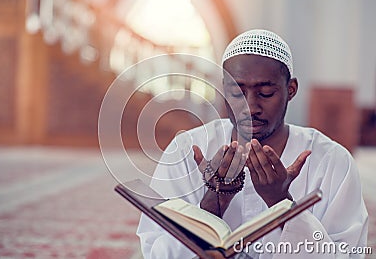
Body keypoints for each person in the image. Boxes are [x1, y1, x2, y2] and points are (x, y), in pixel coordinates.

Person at [136, 29, 368, 258]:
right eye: (237, 93)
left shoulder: (332, 160)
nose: (250, 107)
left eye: (266, 92)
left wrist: (281, 203)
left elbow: (347, 254)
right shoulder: (186, 149)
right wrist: (211, 205)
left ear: (291, 90)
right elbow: (157, 251)